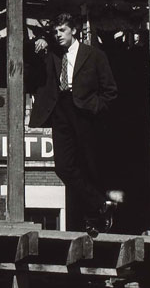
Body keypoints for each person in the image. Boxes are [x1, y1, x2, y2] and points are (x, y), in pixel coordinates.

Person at [29, 12, 117, 236]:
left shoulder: (94, 56)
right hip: (60, 112)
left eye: (62, 31)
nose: (58, 35)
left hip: (86, 114)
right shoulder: (51, 54)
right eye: (55, 32)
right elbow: (31, 67)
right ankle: (99, 204)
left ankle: (92, 219)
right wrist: (39, 41)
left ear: (74, 31)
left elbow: (110, 91)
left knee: (88, 166)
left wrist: (95, 106)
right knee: (64, 166)